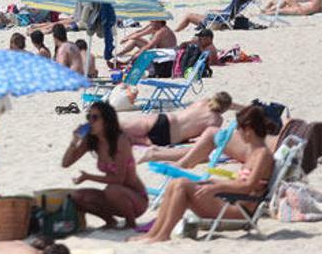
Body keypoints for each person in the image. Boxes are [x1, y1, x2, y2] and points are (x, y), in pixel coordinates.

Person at [130, 106, 274, 243]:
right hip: (230, 203)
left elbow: (248, 186)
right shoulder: (253, 152)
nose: (238, 133)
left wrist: (216, 188)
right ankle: (153, 233)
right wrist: (213, 183)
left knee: (182, 185)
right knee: (176, 183)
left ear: (248, 129)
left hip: (239, 211)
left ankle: (163, 234)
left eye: (239, 129)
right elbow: (240, 182)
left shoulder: (263, 155)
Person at [61, 102, 147, 228]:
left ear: (107, 121)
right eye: (88, 117)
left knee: (112, 190)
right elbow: (66, 163)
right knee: (75, 197)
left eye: (95, 118)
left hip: (135, 199)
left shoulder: (120, 141)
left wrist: (88, 177)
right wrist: (74, 141)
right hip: (113, 196)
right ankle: (110, 221)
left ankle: (130, 223)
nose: (90, 121)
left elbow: (119, 179)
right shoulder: (91, 140)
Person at [121, 92, 233, 148]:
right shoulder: (217, 120)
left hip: (165, 120)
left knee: (121, 127)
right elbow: (204, 139)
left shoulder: (203, 102)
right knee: (126, 139)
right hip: (168, 139)